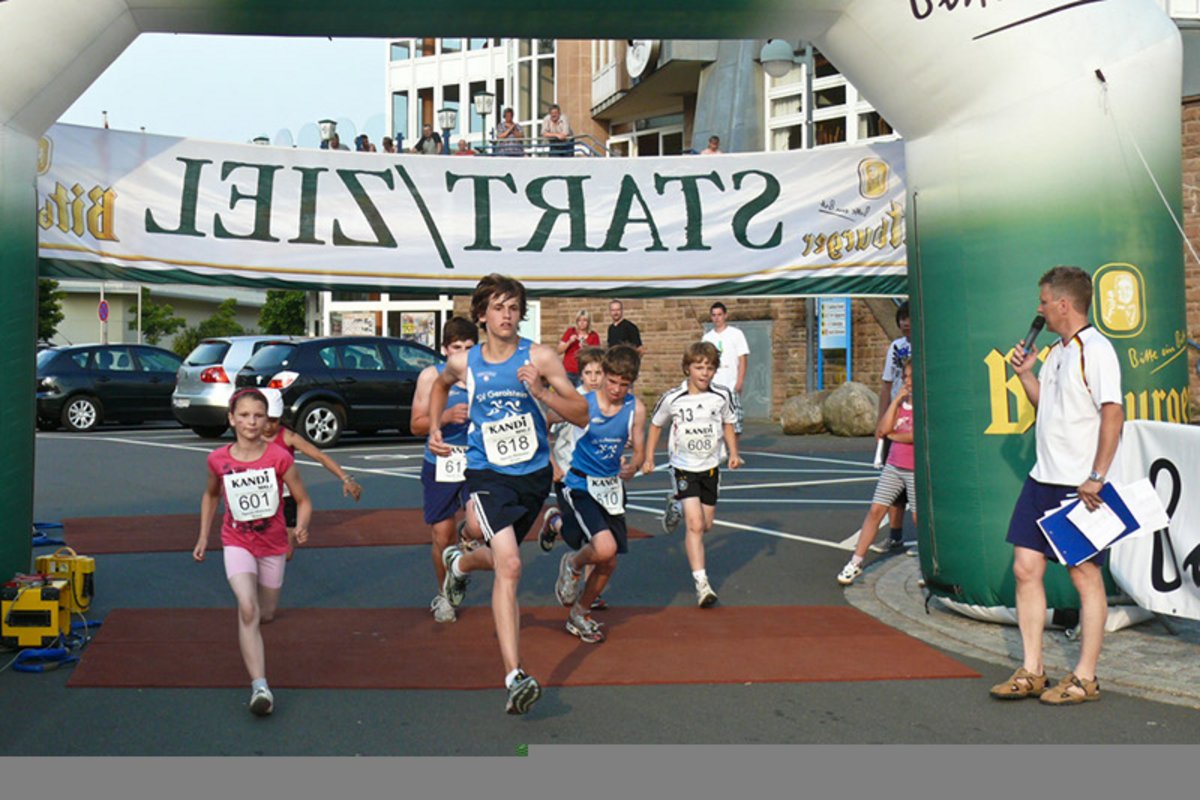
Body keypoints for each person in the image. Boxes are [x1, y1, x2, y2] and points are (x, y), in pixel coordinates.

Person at [427, 274, 588, 714]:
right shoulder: (465, 362)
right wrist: (437, 425)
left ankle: (459, 564)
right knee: (512, 565)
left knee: (502, 559)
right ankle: (515, 676)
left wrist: (541, 391)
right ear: (482, 315)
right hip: (487, 473)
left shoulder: (540, 356)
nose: (507, 315)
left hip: (533, 476)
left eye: (514, 307)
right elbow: (439, 385)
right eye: (498, 307)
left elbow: (581, 412)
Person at [989, 265, 1123, 706]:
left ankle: (1085, 678)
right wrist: (1027, 374)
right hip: (1041, 479)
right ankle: (1033, 671)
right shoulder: (1056, 351)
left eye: (1044, 301)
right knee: (1025, 568)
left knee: (1084, 575)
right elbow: (1047, 406)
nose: (1039, 309)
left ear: (1064, 304)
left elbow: (1113, 413)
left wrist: (1097, 476)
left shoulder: (1096, 349)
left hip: (1077, 486)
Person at [193, 388, 312, 717]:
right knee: (247, 607)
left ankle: (254, 627)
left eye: (258, 416)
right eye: (244, 415)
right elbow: (211, 495)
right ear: (231, 419)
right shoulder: (218, 459)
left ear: (267, 420)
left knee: (266, 613)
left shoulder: (279, 458)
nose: (251, 422)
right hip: (237, 541)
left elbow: (303, 499)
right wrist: (203, 536)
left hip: (273, 544)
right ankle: (260, 687)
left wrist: (300, 526)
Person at [540, 345, 646, 643]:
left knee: (608, 561)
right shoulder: (583, 404)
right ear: (604, 375)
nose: (616, 389)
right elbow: (544, 421)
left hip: (610, 487)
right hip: (580, 484)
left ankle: (580, 613)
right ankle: (573, 564)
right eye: (612, 381)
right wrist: (551, 461)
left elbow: (639, 449)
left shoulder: (635, 409)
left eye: (624, 384)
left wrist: (633, 466)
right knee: (604, 547)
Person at [642, 341, 743, 608]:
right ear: (687, 368)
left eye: (709, 368)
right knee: (695, 525)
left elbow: (729, 423)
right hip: (683, 466)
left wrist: (733, 452)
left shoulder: (721, 396)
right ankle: (702, 584)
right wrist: (649, 458)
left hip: (710, 467)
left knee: (706, 525)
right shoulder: (673, 398)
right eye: (699, 367)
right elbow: (656, 425)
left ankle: (675, 505)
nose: (704, 373)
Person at [409, 316, 479, 623]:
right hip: (442, 461)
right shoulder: (431, 377)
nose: (462, 354)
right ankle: (444, 595)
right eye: (456, 347)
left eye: (469, 347)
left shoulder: (486, 375)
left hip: (477, 460)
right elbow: (415, 425)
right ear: (444, 349)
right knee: (442, 534)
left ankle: (467, 535)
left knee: (478, 526)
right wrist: (446, 416)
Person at [540, 347, 611, 611]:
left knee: (597, 535)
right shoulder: (572, 401)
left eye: (599, 373)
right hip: (568, 476)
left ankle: (590, 591)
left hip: (598, 478)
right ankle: (554, 521)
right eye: (588, 373)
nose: (594, 378)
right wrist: (552, 463)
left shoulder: (609, 401)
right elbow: (544, 425)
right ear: (580, 375)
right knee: (575, 536)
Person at [836, 359, 917, 585]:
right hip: (894, 466)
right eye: (905, 377)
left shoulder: (925, 407)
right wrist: (896, 401)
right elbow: (883, 429)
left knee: (917, 517)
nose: (908, 382)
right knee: (875, 511)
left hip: (914, 469)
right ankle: (856, 562)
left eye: (912, 377)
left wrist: (894, 435)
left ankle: (927, 565)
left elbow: (915, 436)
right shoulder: (900, 405)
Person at [259, 388, 362, 561]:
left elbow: (319, 456)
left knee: (286, 553)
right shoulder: (249, 437)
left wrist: (345, 478)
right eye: (265, 420)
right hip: (259, 496)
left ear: (280, 417)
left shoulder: (288, 436)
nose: (269, 426)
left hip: (285, 496)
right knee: (259, 548)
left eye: (274, 420)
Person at [873, 300, 912, 553]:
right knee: (893, 478)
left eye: (910, 318)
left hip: (915, 416)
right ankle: (895, 535)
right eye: (902, 319)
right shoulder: (895, 347)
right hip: (896, 415)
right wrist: (881, 420)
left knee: (916, 485)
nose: (905, 323)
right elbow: (887, 385)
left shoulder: (928, 345)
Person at [701, 301, 749, 434]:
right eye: (714, 315)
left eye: (719, 315)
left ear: (725, 315)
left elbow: (743, 359)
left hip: (731, 384)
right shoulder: (707, 337)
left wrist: (740, 381)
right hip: (713, 386)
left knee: (734, 423)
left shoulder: (736, 334)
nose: (717, 318)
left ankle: (733, 447)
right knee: (714, 421)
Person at [557, 309, 602, 386]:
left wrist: (587, 348)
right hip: (568, 371)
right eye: (579, 320)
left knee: (581, 393)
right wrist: (569, 342)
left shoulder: (593, 335)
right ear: (576, 321)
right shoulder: (570, 331)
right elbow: (559, 351)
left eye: (584, 320)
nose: (581, 323)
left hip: (584, 372)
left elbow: (597, 357)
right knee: (567, 392)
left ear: (588, 322)